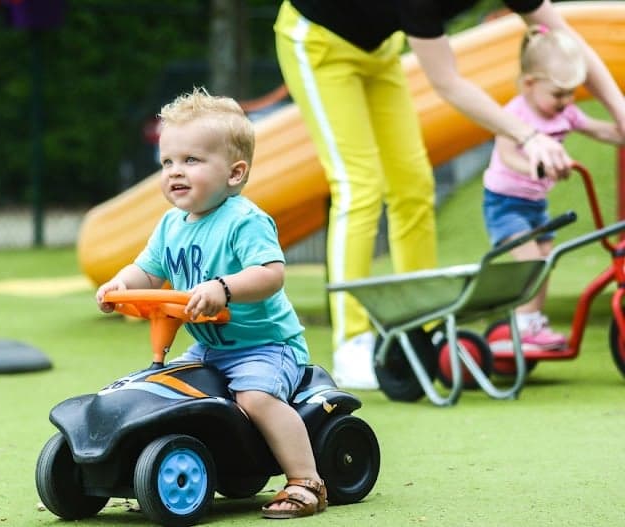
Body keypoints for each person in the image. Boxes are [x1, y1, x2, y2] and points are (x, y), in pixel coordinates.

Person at [273, 0, 625, 390]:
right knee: (360, 185)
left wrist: (620, 110)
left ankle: (423, 325)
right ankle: (351, 341)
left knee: (414, 186)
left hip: (380, 53)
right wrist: (527, 135)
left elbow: (568, 39)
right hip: (317, 40)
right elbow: (447, 82)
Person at [95, 87, 327, 520]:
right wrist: (117, 286)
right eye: (167, 162)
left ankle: (305, 480)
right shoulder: (171, 225)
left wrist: (223, 287)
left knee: (255, 398)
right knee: (171, 388)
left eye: (191, 161)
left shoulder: (245, 220)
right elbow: (145, 270)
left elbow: (270, 275)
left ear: (235, 173)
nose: (174, 172)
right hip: (210, 347)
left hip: (264, 346)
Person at [483, 25, 625, 349]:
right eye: (559, 94)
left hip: (536, 205)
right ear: (530, 85)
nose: (567, 102)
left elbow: (602, 131)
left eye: (571, 93)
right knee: (531, 260)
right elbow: (506, 157)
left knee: (546, 259)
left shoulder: (567, 114)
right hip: (505, 203)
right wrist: (537, 167)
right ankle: (524, 323)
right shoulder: (514, 115)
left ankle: (532, 321)